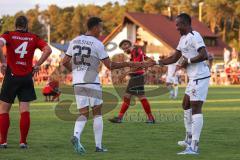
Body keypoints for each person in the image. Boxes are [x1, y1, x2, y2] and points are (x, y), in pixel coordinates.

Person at [62, 17, 148, 154]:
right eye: (100, 28)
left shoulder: (75, 41)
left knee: (83, 113)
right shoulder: (97, 43)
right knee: (97, 114)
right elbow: (110, 66)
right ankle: (98, 146)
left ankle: (77, 136)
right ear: (95, 27)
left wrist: (75, 70)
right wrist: (129, 63)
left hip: (78, 82)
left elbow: (64, 61)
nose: (101, 30)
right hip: (92, 82)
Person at [149, 13, 211, 155]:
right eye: (176, 24)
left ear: (186, 24)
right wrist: (157, 62)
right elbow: (175, 57)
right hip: (192, 78)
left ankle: (194, 146)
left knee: (196, 108)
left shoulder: (195, 36)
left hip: (200, 77)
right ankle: (189, 138)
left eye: (179, 24)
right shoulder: (182, 39)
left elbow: (204, 55)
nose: (176, 27)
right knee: (185, 105)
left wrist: (187, 62)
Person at [0, 15, 52, 149]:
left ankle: (3, 142)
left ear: (15, 25)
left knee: (4, 109)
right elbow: (48, 50)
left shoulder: (9, 35)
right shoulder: (33, 37)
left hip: (11, 76)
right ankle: (23, 142)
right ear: (26, 25)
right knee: (24, 110)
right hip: (26, 77)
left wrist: (3, 62)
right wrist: (38, 65)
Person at [108, 40, 155, 123]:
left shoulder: (136, 51)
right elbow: (146, 59)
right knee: (128, 96)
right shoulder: (135, 51)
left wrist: (125, 73)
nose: (125, 51)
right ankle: (120, 118)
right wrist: (149, 64)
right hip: (136, 76)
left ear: (127, 45)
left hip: (137, 76)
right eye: (123, 50)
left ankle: (151, 118)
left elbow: (137, 65)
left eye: (125, 49)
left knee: (139, 97)